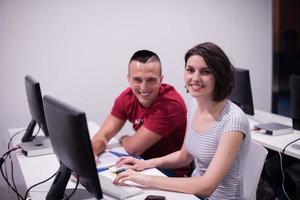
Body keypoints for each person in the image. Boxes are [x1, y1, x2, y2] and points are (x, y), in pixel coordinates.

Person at [113, 42, 251, 199]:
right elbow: (184, 156)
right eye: (190, 70)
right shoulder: (194, 105)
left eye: (205, 72)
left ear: (219, 75)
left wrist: (146, 179)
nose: (195, 78)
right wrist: (146, 164)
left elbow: (206, 187)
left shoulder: (233, 120)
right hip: (191, 194)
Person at [91, 49, 191, 176]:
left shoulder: (170, 105)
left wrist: (124, 138)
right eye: (137, 80)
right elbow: (102, 135)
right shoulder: (127, 97)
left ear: (161, 79)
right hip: (141, 163)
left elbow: (133, 148)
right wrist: (92, 153)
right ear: (129, 79)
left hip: (169, 172)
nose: (143, 88)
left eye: (151, 80)